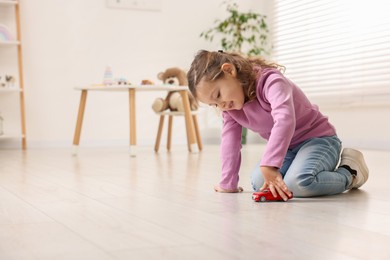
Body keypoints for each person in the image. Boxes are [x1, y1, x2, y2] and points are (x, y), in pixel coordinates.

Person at [187, 50, 369, 200]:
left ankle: (350, 173)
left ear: (229, 70)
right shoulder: (231, 109)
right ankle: (301, 170)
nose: (221, 106)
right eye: (214, 104)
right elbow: (230, 143)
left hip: (319, 141)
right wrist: (228, 183)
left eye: (218, 95)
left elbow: (285, 119)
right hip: (289, 149)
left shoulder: (270, 81)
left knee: (299, 183)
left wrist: (270, 164)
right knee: (260, 182)